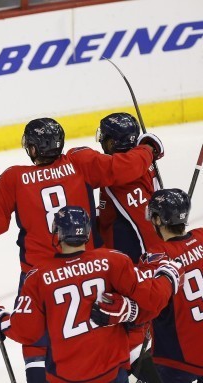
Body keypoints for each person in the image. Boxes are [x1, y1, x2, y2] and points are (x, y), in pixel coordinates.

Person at [0, 117, 163, 382]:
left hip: (39, 276)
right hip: (91, 267)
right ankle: (126, 368)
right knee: (103, 330)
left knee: (35, 341)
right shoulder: (80, 161)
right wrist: (148, 149)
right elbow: (124, 168)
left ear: (31, 149)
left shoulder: (14, 178)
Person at [0, 205, 184, 383]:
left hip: (65, 376)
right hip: (111, 373)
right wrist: (167, 276)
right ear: (86, 233)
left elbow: (26, 331)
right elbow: (151, 299)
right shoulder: (113, 260)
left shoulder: (38, 277)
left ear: (57, 234)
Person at [91, 189, 203, 382]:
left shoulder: (156, 259)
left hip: (177, 358)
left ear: (158, 220)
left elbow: (148, 304)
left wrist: (126, 309)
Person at [95, 112, 166, 380]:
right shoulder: (144, 161)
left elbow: (144, 228)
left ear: (113, 144)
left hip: (136, 262)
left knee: (133, 332)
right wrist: (149, 147)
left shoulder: (118, 175)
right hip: (148, 254)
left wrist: (151, 263)